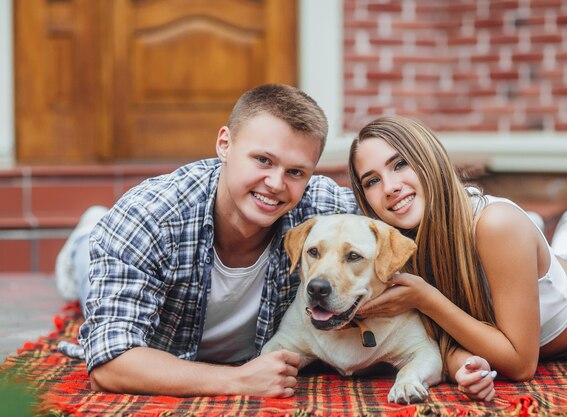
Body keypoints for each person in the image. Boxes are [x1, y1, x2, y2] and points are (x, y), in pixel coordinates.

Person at [55, 84, 358, 397]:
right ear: (225, 144)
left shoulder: (322, 211)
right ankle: (85, 234)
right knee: (88, 274)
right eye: (263, 160)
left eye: (295, 172)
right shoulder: (149, 218)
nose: (276, 184)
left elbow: (400, 228)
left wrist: (414, 294)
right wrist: (239, 381)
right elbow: (110, 363)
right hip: (124, 256)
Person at [348, 116, 567, 401]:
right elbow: (439, 341)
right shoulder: (396, 245)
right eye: (372, 181)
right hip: (507, 263)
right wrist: (460, 366)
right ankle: (546, 247)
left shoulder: (496, 225)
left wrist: (425, 298)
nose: (389, 187)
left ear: (428, 158)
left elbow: (521, 364)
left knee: (552, 246)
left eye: (400, 164)